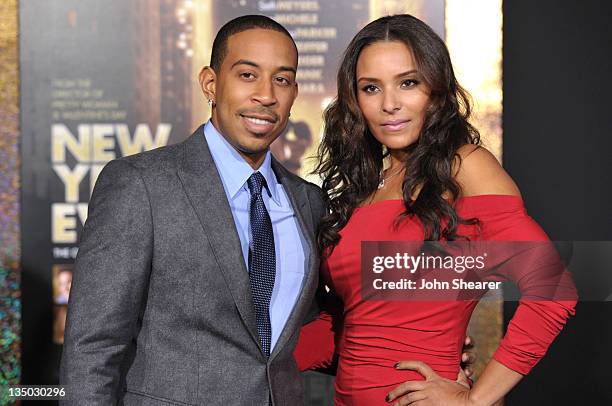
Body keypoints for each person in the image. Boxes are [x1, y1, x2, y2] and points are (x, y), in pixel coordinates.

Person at [294, 14, 577, 405]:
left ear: (437, 90)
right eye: (371, 88)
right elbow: (354, 327)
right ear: (355, 100)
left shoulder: (464, 167)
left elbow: (554, 288)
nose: (390, 104)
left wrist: (474, 399)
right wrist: (238, 350)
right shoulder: (359, 191)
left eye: (408, 83)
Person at [59, 15, 325, 405]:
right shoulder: (141, 184)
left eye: (282, 80)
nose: (266, 95)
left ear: (294, 93)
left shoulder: (308, 201)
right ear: (211, 83)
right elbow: (92, 347)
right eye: (248, 75)